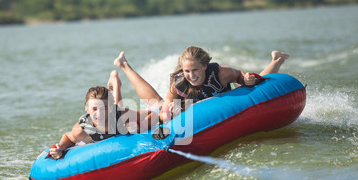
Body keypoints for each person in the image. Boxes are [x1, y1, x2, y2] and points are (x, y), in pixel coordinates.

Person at [114, 46, 289, 122]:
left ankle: (277, 60)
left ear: (205, 66)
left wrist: (247, 79)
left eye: (195, 70)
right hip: (189, 105)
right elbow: (163, 113)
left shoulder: (220, 73)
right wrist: (172, 111)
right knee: (156, 103)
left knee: (253, 86)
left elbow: (240, 77)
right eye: (187, 71)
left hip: (226, 98)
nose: (191, 75)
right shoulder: (179, 83)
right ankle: (124, 65)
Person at [49, 71, 156, 159]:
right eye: (94, 109)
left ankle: (116, 84)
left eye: (104, 108)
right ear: (87, 108)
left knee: (119, 110)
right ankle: (115, 82)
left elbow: (152, 114)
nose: (99, 114)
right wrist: (60, 147)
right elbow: (68, 136)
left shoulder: (121, 113)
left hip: (116, 115)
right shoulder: (82, 129)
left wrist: (141, 127)